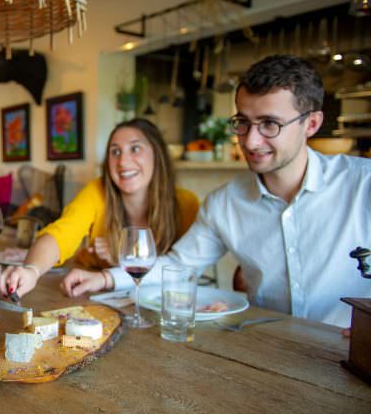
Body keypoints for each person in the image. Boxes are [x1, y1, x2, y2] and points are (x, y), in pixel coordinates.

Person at [63, 55, 371, 328]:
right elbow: (179, 265)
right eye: (243, 123)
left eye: (269, 124)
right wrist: (104, 278)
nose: (250, 141)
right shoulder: (224, 203)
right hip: (268, 348)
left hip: (351, 354)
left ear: (312, 123)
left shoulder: (362, 185)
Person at [0, 118, 199, 298]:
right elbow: (61, 234)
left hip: (157, 302)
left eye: (135, 149)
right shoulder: (96, 191)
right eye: (115, 151)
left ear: (158, 155)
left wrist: (121, 261)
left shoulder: (187, 204)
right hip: (88, 291)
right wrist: (32, 270)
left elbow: (185, 268)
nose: (123, 161)